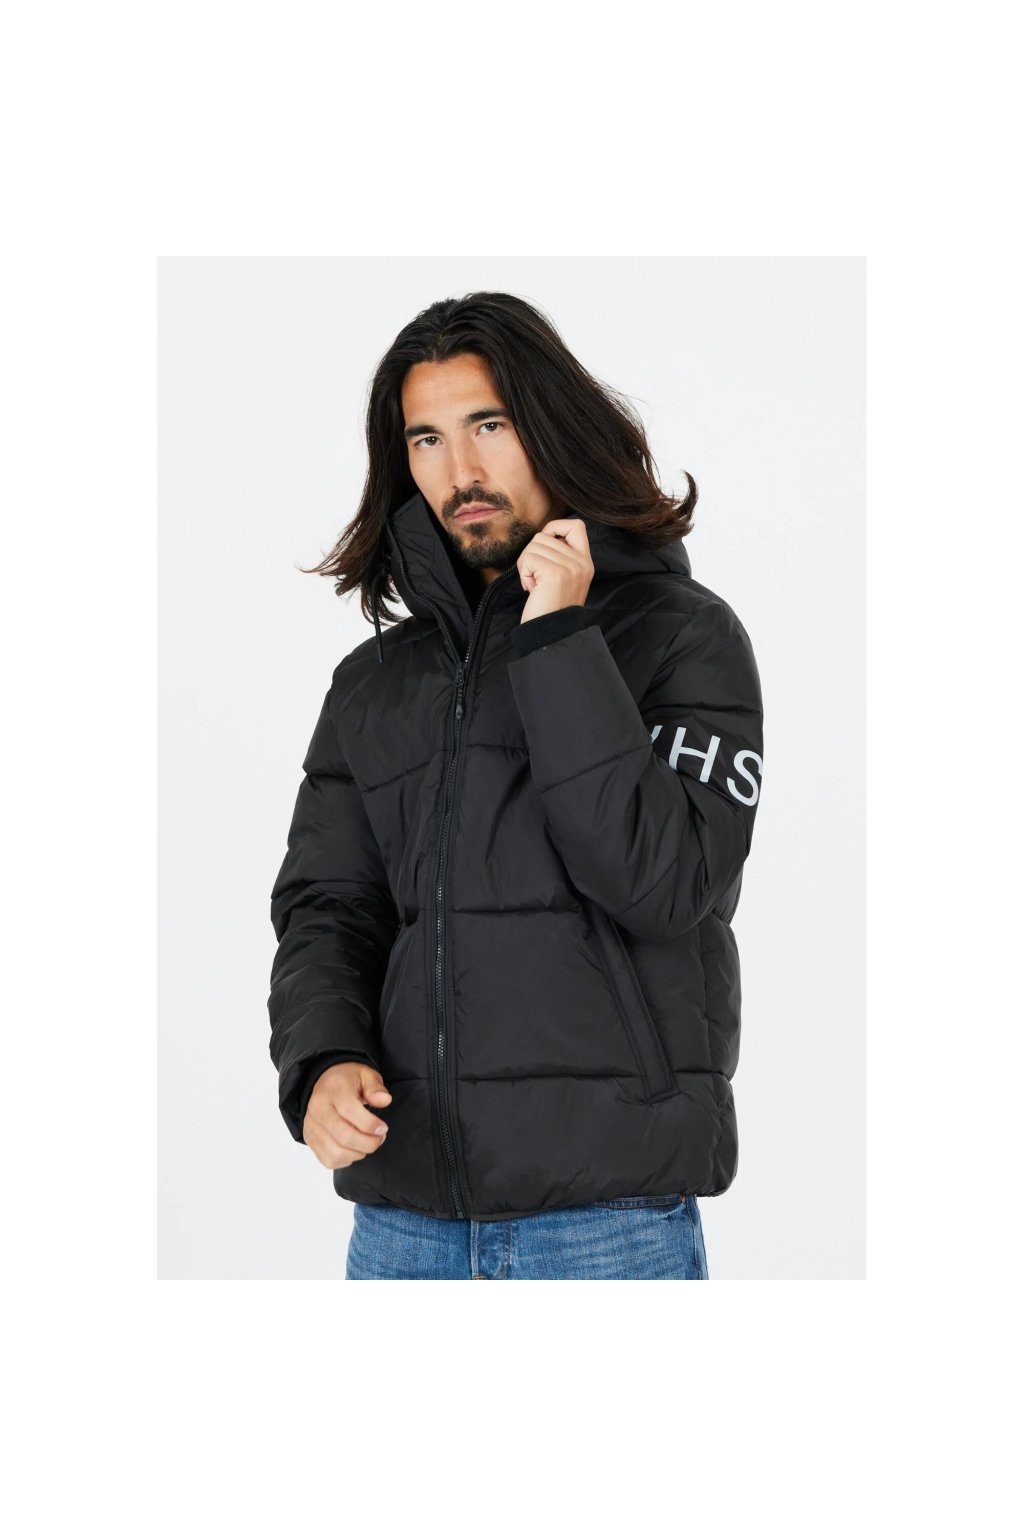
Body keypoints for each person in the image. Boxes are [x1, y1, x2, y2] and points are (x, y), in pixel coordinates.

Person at [267, 291, 764, 1280]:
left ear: (550, 424)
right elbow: (329, 907)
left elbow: (663, 884)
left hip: (609, 1222)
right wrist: (322, 1062)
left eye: (487, 425)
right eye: (427, 439)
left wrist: (560, 639)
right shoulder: (374, 683)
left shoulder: (683, 637)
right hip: (405, 1223)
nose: (460, 471)